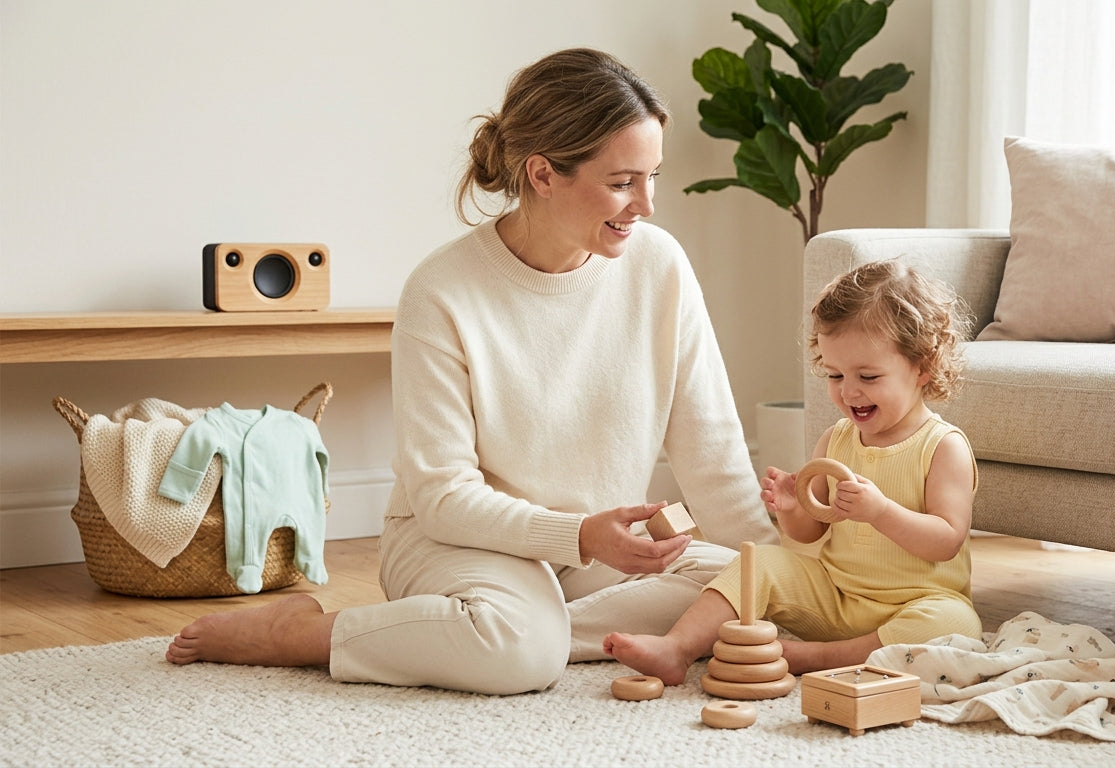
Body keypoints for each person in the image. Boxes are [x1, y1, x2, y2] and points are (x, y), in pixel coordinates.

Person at [164, 47, 778, 694]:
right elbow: (442, 498)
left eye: (653, 176)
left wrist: (792, 571)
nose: (647, 205)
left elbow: (714, 460)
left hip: (589, 556)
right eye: (624, 182)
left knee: (744, 584)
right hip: (454, 541)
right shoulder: (443, 292)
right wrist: (578, 535)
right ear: (543, 174)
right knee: (523, 651)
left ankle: (489, 631)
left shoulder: (660, 267)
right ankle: (301, 635)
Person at [604, 260, 981, 684]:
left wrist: (880, 511)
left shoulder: (942, 446)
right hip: (835, 598)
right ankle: (677, 647)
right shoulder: (836, 440)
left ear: (922, 365)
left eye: (869, 376)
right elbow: (808, 533)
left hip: (913, 605)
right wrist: (789, 509)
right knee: (760, 561)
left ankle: (816, 657)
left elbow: (946, 541)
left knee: (954, 623)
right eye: (835, 375)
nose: (849, 391)